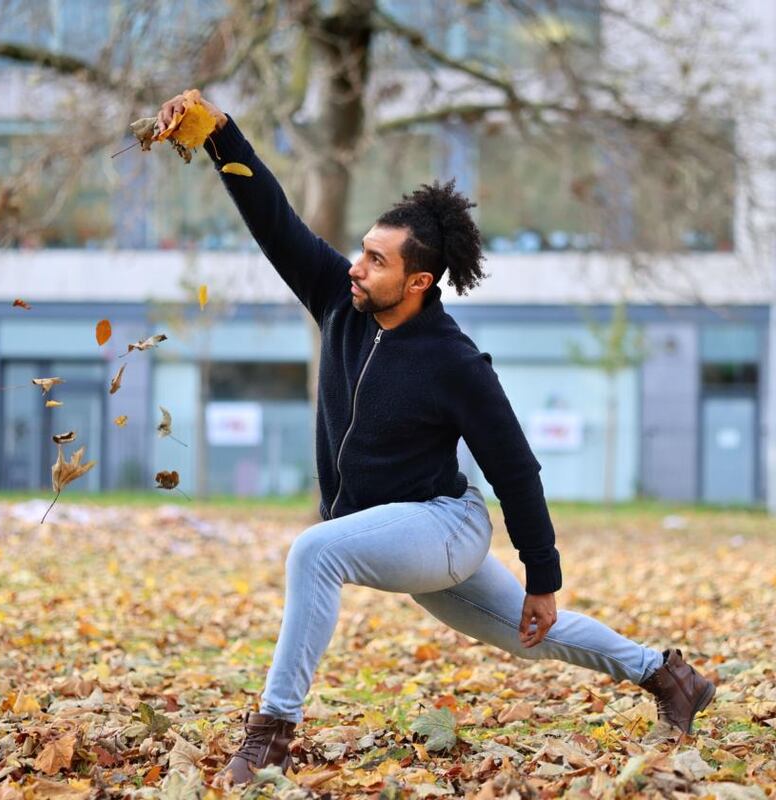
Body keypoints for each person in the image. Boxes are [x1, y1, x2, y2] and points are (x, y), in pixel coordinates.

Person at [155, 91, 716, 789]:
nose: (356, 266)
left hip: (446, 525)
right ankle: (668, 674)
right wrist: (218, 134)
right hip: (400, 528)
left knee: (314, 552)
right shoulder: (341, 300)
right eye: (361, 252)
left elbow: (516, 469)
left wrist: (544, 576)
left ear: (418, 281)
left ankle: (270, 735)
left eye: (376, 260)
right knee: (527, 637)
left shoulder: (455, 362)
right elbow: (273, 218)